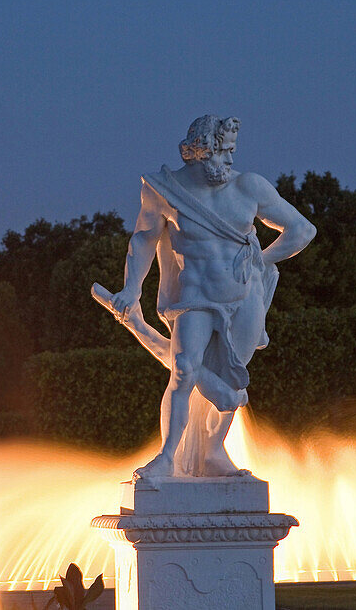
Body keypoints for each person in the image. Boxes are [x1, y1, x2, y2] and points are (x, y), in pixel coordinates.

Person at [108, 115, 316, 480]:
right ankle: (167, 458)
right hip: (195, 294)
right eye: (224, 151)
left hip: (244, 297)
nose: (231, 160)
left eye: (233, 151)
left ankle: (214, 453)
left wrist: (261, 260)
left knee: (233, 376)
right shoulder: (163, 190)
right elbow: (143, 239)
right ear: (202, 151)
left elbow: (302, 229)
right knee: (184, 369)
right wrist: (131, 287)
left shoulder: (249, 187)